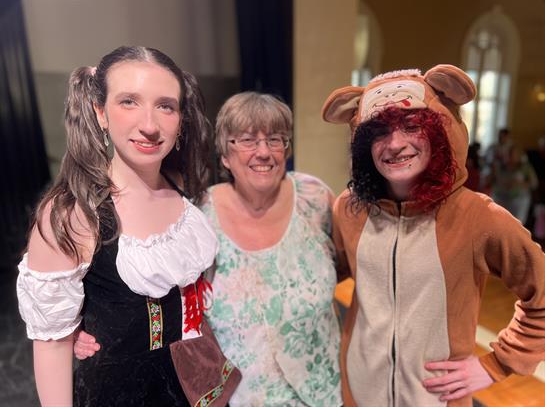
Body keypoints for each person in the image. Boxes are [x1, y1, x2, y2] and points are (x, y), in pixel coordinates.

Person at [76, 91, 345, 406]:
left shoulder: (315, 198)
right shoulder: (197, 215)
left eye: (275, 139)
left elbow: (347, 264)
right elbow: (153, 292)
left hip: (323, 391)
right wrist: (78, 328)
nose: (263, 152)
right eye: (247, 140)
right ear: (225, 156)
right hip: (238, 397)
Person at [322, 65, 545, 407]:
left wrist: (497, 364)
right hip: (358, 389)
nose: (395, 144)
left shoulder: (477, 217)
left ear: (440, 132)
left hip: (437, 398)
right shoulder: (349, 209)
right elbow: (323, 274)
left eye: (412, 126)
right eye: (379, 133)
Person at [16, 46, 223, 406]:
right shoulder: (73, 215)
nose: (150, 125)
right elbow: (51, 347)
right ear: (100, 112)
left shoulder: (181, 186)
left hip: (193, 388)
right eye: (129, 102)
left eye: (166, 106)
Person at [490, 144, 538, 224]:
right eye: (510, 153)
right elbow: (495, 181)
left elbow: (534, 183)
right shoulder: (502, 167)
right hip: (503, 198)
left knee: (516, 223)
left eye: (514, 154)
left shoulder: (525, 167)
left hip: (519, 200)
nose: (511, 156)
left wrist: (520, 183)